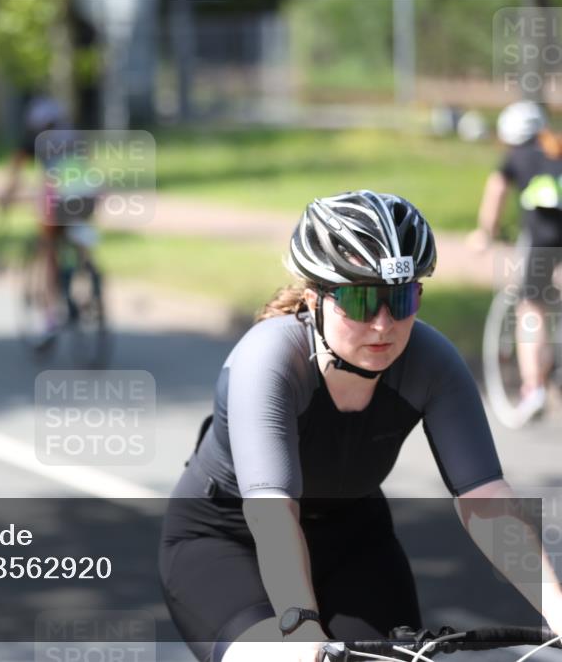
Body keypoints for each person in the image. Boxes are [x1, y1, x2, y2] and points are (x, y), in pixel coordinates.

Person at [160, 190, 562, 662]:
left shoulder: (432, 363)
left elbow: (487, 501)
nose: (383, 324)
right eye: (360, 300)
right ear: (314, 299)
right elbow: (271, 515)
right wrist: (300, 625)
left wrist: (556, 608)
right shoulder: (268, 360)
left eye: (401, 297)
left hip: (352, 536)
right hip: (228, 541)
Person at [468, 100, 562, 425]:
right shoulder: (556, 149)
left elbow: (496, 194)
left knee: (531, 308)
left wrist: (485, 233)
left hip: (545, 240)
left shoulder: (515, 157)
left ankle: (533, 388)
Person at [0, 95, 97, 344]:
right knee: (79, 233)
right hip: (86, 194)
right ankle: (87, 272)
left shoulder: (33, 141)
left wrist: (6, 200)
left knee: (48, 252)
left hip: (57, 198)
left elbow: (16, 176)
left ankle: (50, 318)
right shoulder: (73, 134)